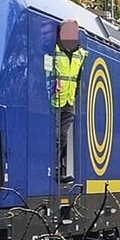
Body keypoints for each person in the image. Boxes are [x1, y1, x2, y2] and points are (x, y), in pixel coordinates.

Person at [44, 19, 87, 183]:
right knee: (54, 136)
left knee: (62, 136)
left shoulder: (80, 54)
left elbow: (79, 77)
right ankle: (53, 170)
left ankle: (59, 169)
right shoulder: (54, 51)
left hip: (69, 101)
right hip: (54, 101)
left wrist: (75, 95)